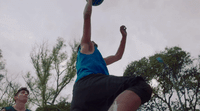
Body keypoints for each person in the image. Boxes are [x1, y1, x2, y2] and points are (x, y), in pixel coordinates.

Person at [70, 0, 152, 111]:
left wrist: (124, 37)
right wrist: (89, 1)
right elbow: (86, 17)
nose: (92, 43)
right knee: (140, 85)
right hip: (90, 84)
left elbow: (118, 56)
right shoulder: (84, 47)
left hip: (80, 97)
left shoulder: (99, 61)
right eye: (91, 42)